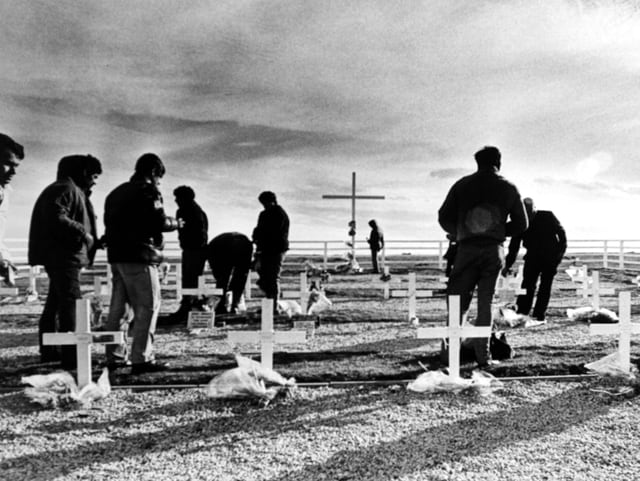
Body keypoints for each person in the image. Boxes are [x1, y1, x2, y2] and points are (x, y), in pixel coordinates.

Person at [438, 146, 527, 368]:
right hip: (493, 250)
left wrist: (461, 232)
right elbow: (522, 224)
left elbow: (443, 216)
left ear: (477, 163)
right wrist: (497, 231)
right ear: (499, 162)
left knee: (458, 301)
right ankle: (483, 356)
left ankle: (451, 355)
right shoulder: (508, 187)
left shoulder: (462, 184)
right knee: (485, 303)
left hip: (466, 249)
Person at [102, 153, 180, 374]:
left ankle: (115, 356)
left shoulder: (115, 193)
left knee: (119, 309)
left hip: (118, 257)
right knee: (147, 306)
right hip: (140, 256)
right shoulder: (148, 191)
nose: (159, 183)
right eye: (159, 178)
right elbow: (159, 220)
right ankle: (142, 358)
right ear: (154, 172)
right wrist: (176, 223)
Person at [28, 155, 102, 367]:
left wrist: (94, 240)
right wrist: (84, 235)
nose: (95, 181)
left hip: (61, 256)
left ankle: (50, 351)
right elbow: (56, 217)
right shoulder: (66, 189)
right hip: (65, 257)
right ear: (84, 172)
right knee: (71, 304)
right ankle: (73, 357)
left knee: (55, 303)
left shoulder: (66, 189)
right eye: (94, 176)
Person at [502, 197, 567, 322]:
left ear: (534, 209)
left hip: (550, 257)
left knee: (545, 287)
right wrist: (508, 264)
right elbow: (514, 246)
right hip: (532, 257)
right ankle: (522, 312)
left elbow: (562, 236)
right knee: (527, 285)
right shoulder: (521, 222)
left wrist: (558, 256)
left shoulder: (547, 216)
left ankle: (539, 315)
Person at [166, 185, 209, 324]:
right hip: (194, 249)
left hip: (193, 250)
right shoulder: (197, 211)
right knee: (191, 279)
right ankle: (188, 307)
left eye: (177, 198)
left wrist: (193, 247)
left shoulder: (188, 211)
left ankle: (189, 308)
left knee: (191, 279)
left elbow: (200, 234)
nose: (176, 200)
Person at [252, 191, 289, 311]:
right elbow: (258, 229)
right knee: (264, 277)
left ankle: (274, 307)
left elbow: (273, 233)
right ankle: (269, 304)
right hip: (265, 249)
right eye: (262, 203)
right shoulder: (263, 214)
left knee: (272, 277)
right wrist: (256, 237)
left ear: (272, 201)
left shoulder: (280, 214)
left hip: (276, 249)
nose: (264, 205)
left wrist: (260, 237)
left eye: (266, 202)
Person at [206, 232, 253, 314]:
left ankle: (224, 305)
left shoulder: (213, 248)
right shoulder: (213, 248)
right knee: (239, 276)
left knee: (223, 279)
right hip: (238, 244)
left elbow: (218, 274)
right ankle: (234, 305)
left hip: (221, 246)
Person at [0, 133, 24, 286]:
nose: (14, 172)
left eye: (16, 166)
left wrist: (3, 257)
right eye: (8, 164)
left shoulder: (5, 190)